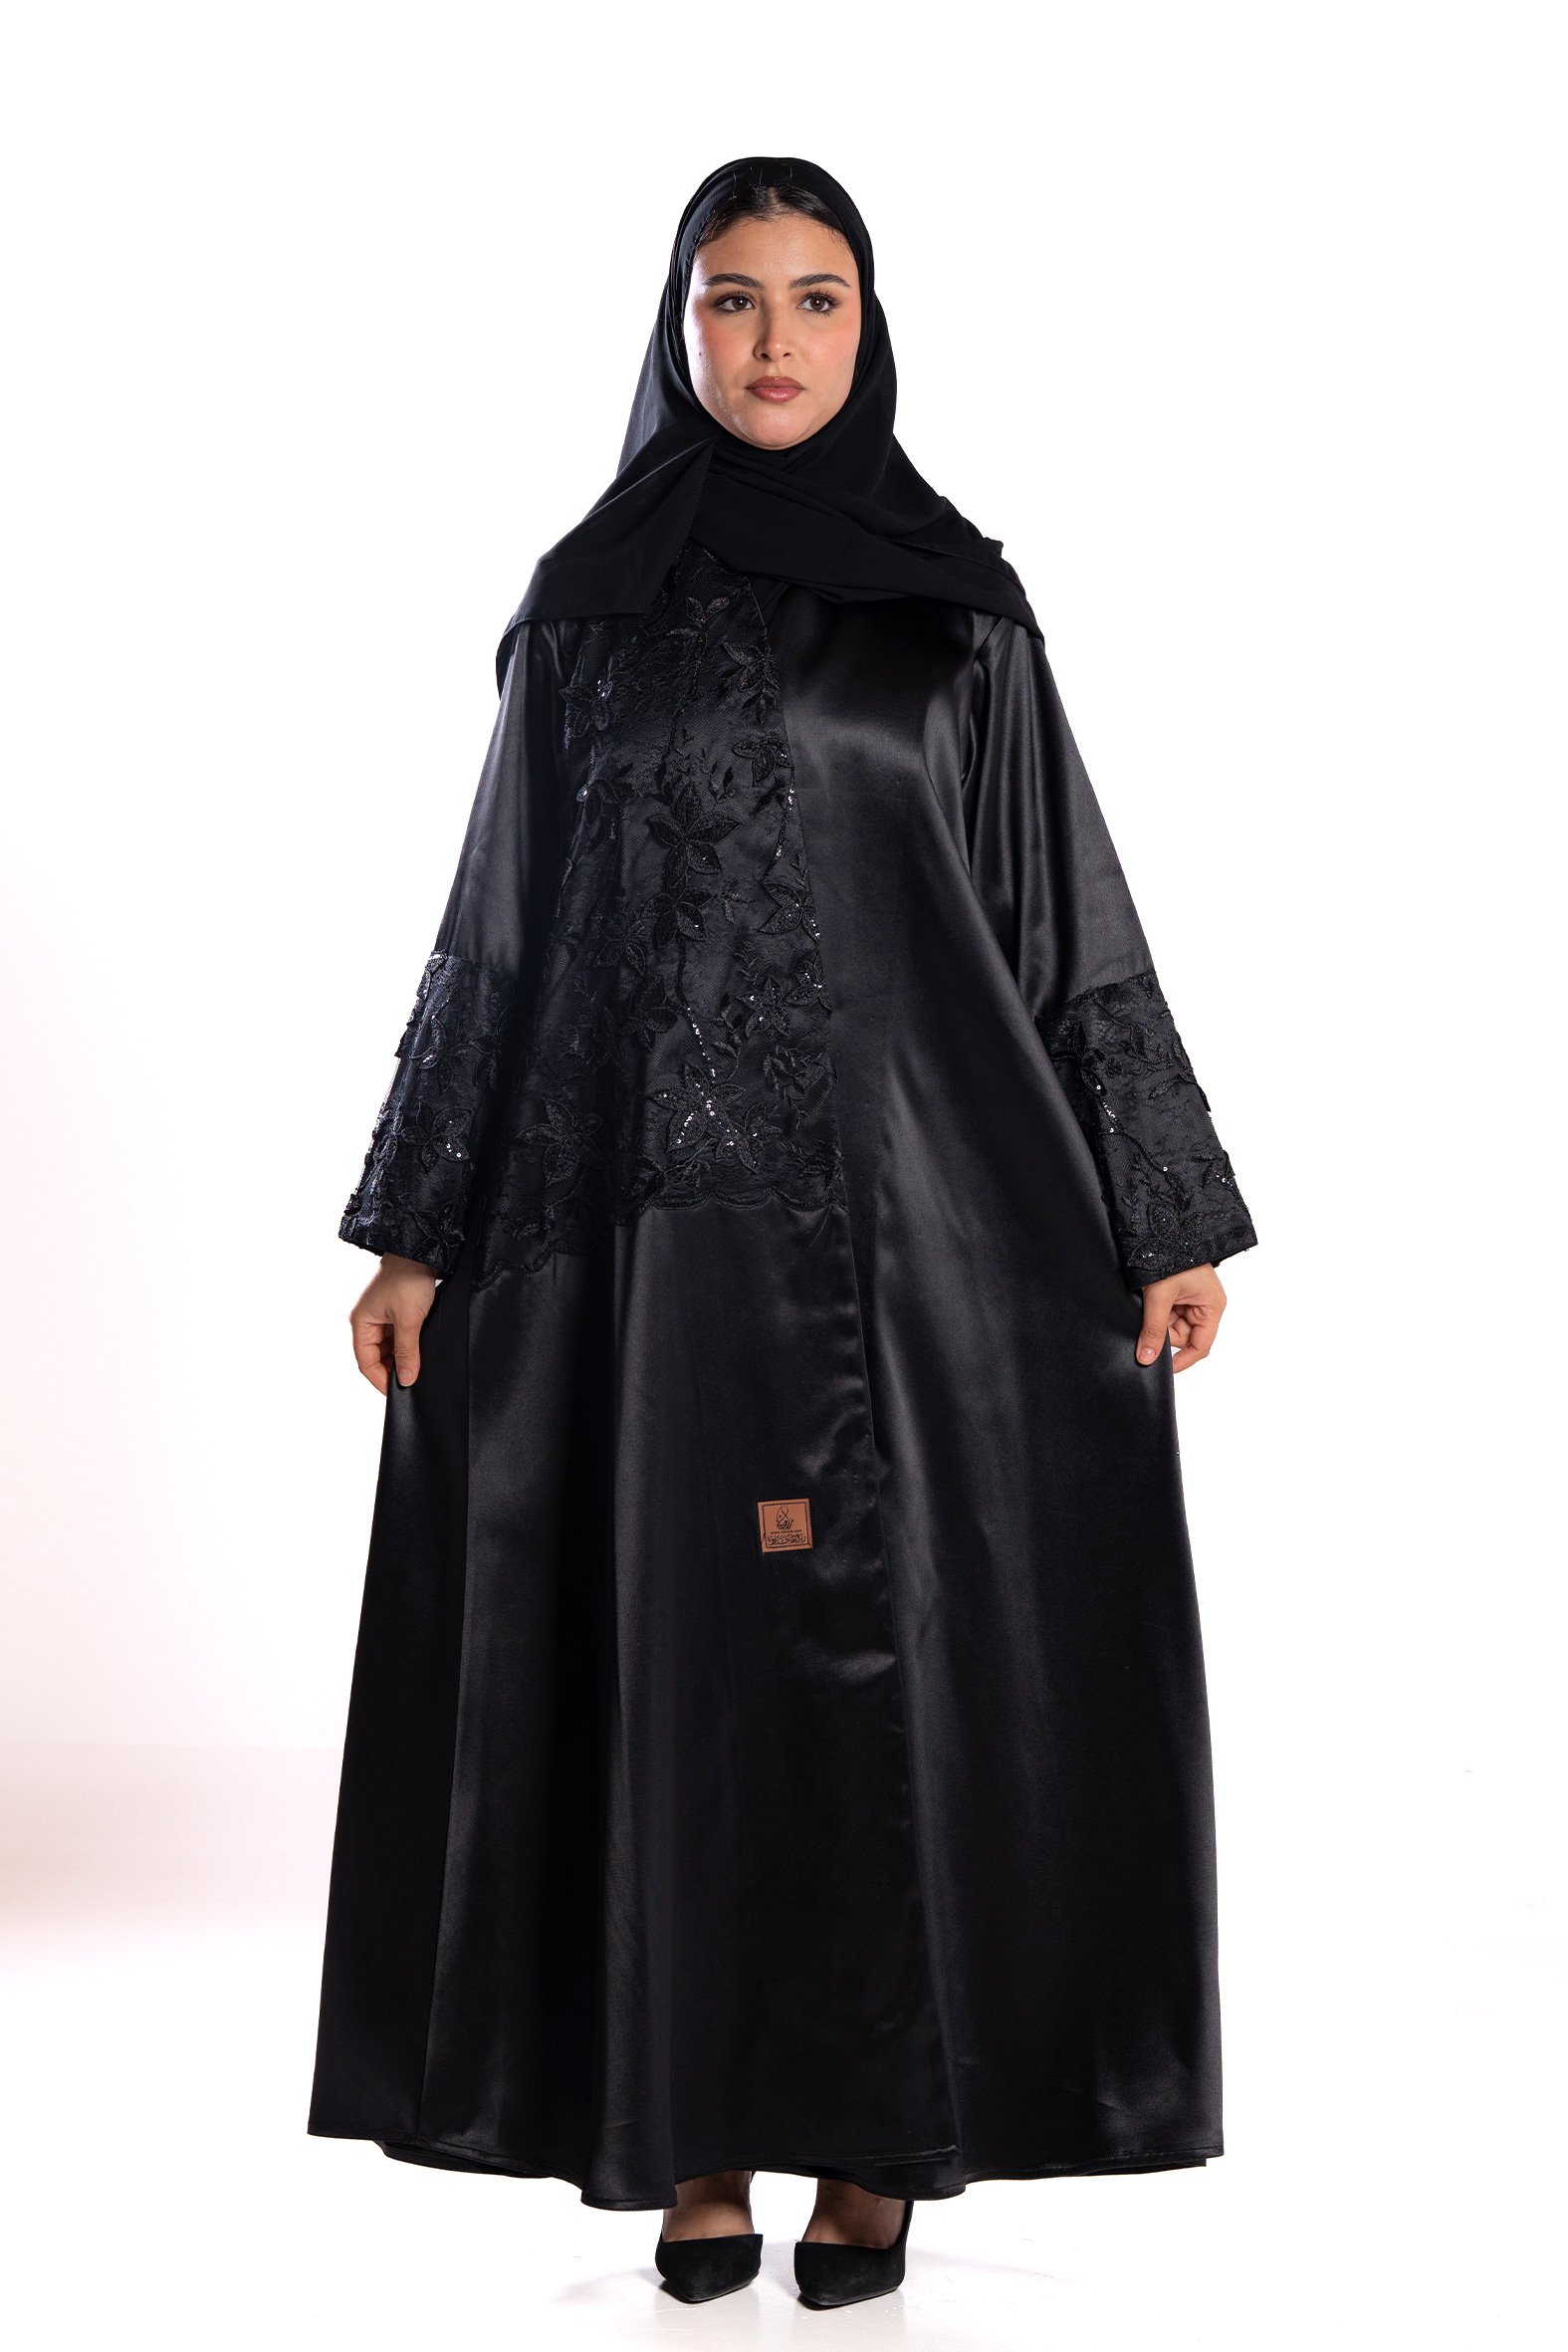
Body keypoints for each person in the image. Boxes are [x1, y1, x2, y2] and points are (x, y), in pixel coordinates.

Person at [307, 155, 1256, 2311]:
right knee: (685, 1671)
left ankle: (878, 2141)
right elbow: (500, 928)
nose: (772, 342)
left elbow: (1057, 912)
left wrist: (1159, 1210)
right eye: (729, 299)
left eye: (814, 298)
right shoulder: (587, 607)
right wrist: (416, 1229)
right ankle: (693, 2127)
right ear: (678, 328)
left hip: (938, 1233)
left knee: (895, 1680)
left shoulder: (957, 608)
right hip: (646, 1246)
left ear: (868, 327)